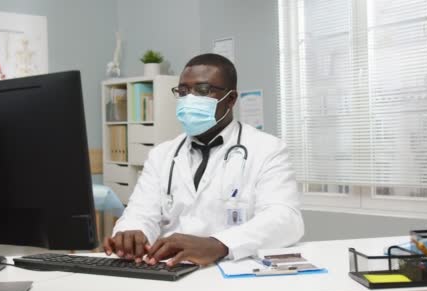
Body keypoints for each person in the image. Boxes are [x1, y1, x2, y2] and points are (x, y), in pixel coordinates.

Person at [103, 53, 303, 266]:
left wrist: (218, 244)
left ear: (231, 99)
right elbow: (140, 213)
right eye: (183, 91)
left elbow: (285, 219)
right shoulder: (162, 155)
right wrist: (132, 233)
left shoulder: (266, 149)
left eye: (203, 90)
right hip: (170, 271)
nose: (189, 99)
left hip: (232, 272)